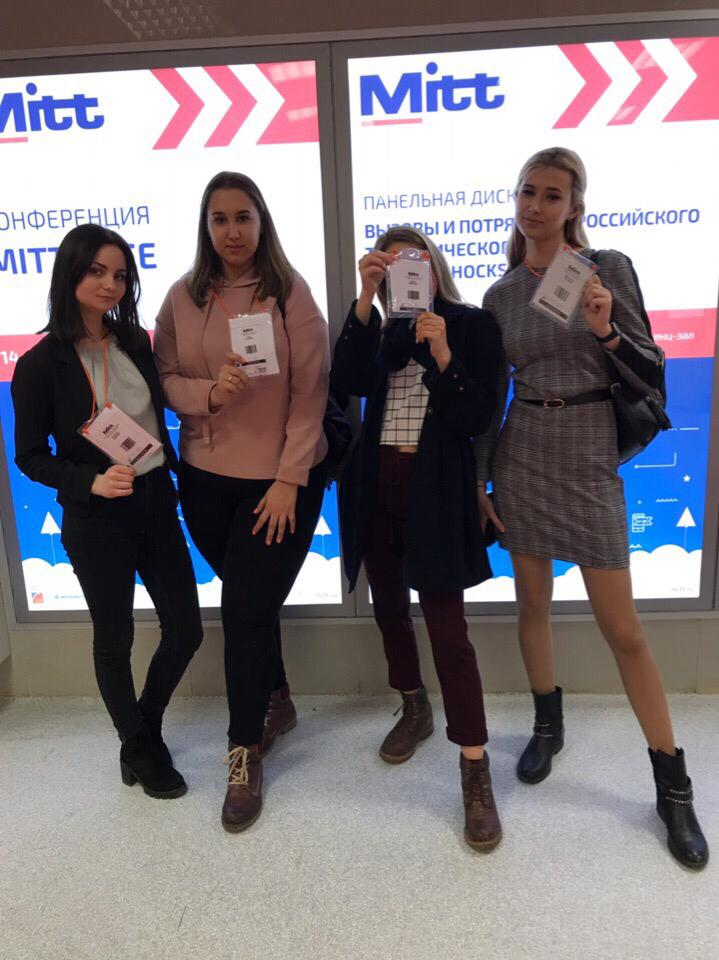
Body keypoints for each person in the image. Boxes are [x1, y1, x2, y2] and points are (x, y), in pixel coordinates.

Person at [476, 146, 708, 869]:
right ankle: (547, 724)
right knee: (532, 603)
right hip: (523, 448)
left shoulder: (605, 270)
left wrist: (605, 327)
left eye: (551, 195)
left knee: (624, 629)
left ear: (574, 206)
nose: (535, 205)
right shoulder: (500, 296)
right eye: (527, 192)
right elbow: (490, 397)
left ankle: (672, 786)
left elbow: (651, 371)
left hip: (586, 450)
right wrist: (481, 480)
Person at [153, 171, 329, 833]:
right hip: (204, 481)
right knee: (251, 603)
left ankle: (242, 750)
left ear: (262, 223)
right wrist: (206, 394)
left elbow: (312, 392)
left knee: (243, 610)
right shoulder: (182, 296)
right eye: (220, 218)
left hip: (277, 484)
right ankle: (276, 696)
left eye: (243, 217)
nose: (232, 231)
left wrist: (288, 479)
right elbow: (164, 376)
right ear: (206, 226)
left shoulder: (289, 293)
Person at [11, 223, 203, 799]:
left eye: (119, 275)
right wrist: (90, 482)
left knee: (186, 630)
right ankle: (140, 746)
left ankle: (144, 729)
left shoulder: (136, 341)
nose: (110, 285)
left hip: (155, 501)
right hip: (96, 517)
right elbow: (29, 456)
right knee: (114, 638)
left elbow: (155, 415)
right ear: (70, 274)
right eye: (97, 271)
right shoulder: (40, 364)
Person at [332, 226, 504, 850]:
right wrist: (364, 298)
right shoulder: (382, 330)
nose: (406, 269)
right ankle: (413, 704)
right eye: (393, 262)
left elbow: (479, 416)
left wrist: (445, 355)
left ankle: (474, 764)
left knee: (448, 630)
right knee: (388, 609)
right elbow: (346, 379)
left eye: (416, 259)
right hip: (376, 482)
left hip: (435, 489)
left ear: (434, 265)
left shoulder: (472, 324)